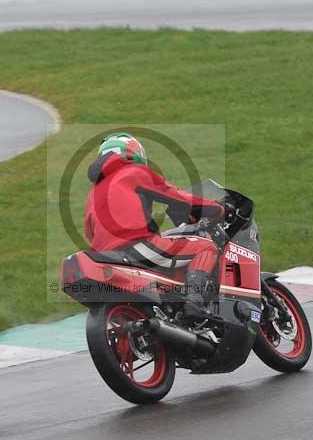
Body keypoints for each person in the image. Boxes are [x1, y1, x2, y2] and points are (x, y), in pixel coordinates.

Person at [84, 132, 225, 317]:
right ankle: (194, 301)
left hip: (108, 256)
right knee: (205, 248)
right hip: (137, 246)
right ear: (134, 152)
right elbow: (173, 194)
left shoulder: (92, 194)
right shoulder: (134, 172)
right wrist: (215, 208)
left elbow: (89, 232)